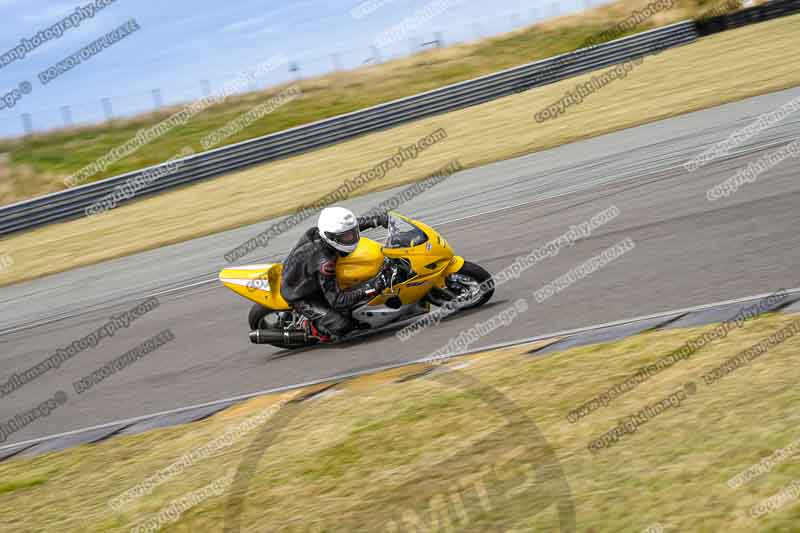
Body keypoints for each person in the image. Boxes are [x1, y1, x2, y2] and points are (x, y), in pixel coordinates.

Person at [280, 206, 391, 341]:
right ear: (331, 237)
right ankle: (314, 328)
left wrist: (377, 220)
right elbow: (338, 300)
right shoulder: (325, 263)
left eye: (353, 234)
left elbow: (349, 227)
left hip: (303, 270)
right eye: (347, 237)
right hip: (300, 294)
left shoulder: (322, 233)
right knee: (343, 326)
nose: (353, 238)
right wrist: (373, 286)